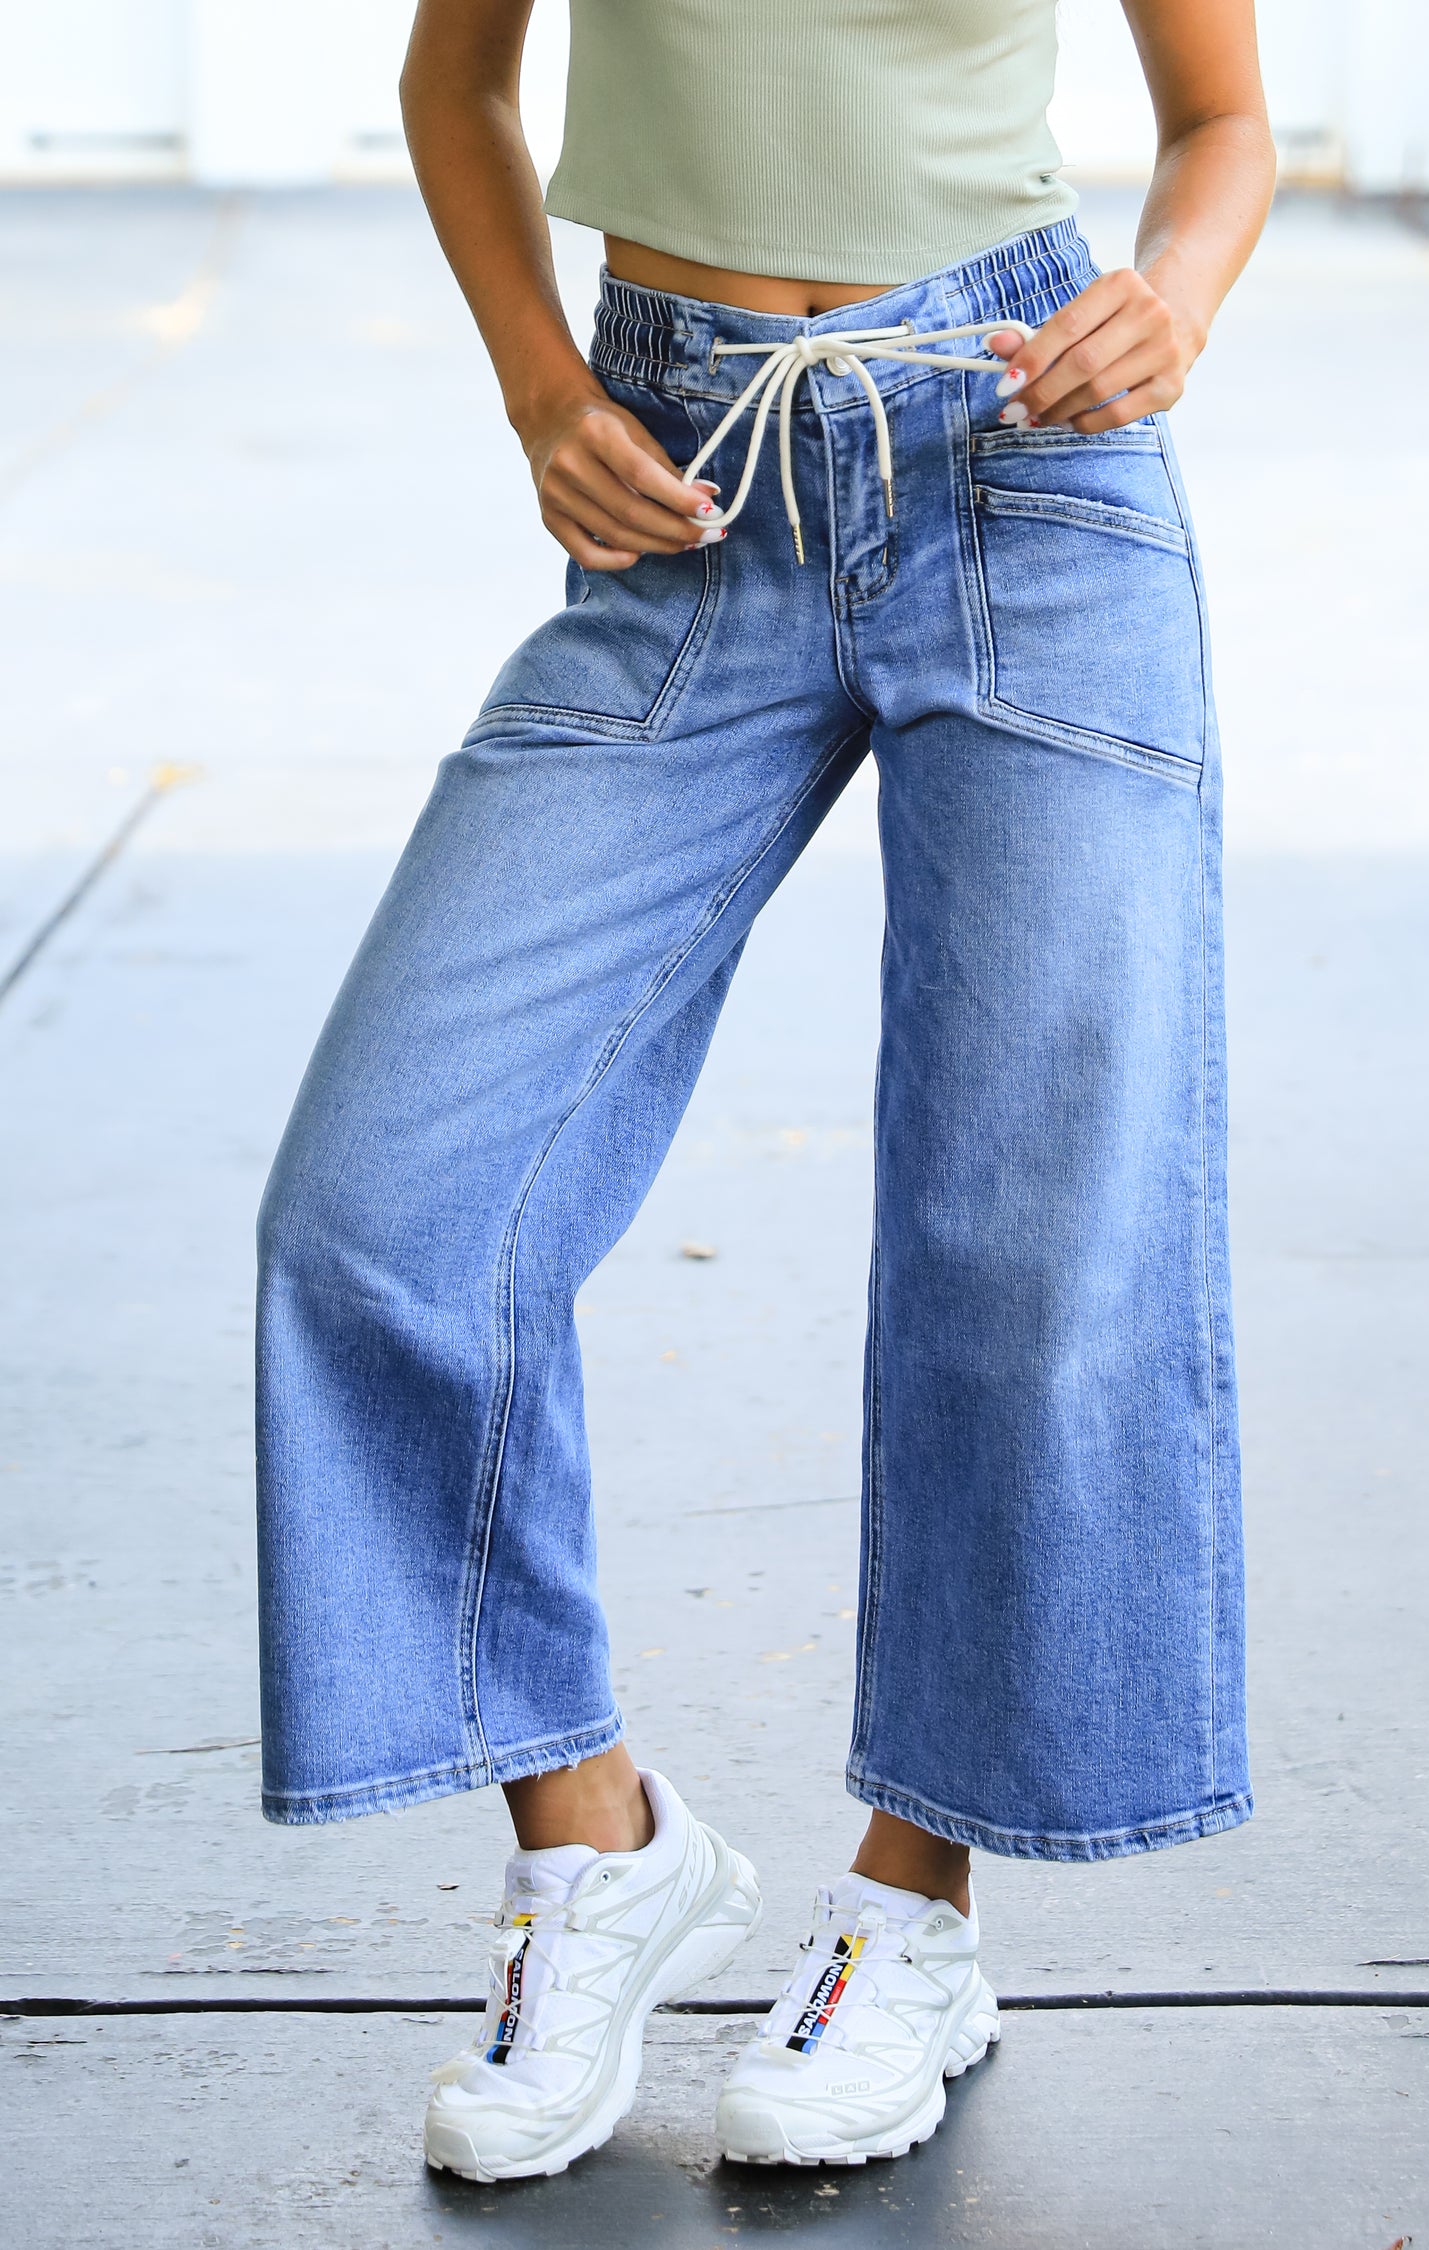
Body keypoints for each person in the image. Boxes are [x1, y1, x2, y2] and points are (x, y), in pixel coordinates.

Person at [255, 0, 1274, 2182]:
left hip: (1024, 469)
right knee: (384, 1202)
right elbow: (458, 81)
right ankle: (596, 1845)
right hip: (683, 479)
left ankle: (915, 1912)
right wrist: (542, 381)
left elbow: (1224, 128)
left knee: (1031, 1238)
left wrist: (1167, 309)